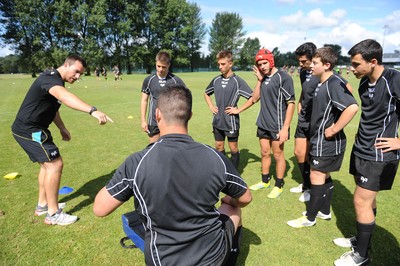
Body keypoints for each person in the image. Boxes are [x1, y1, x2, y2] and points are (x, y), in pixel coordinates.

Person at [94, 84, 252, 266]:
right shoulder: (214, 156)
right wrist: (229, 201)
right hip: (212, 257)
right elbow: (246, 198)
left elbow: (100, 209)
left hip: (163, 260)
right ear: (190, 116)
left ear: (157, 114)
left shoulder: (137, 162)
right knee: (234, 208)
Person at [11, 54, 113, 226]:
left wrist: (62, 128)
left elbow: (53, 108)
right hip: (29, 130)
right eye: (76, 71)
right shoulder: (49, 79)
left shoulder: (56, 82)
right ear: (66, 65)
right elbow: (65, 98)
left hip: (35, 129)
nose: (78, 76)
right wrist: (93, 110)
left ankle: (43, 205)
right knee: (54, 164)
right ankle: (53, 214)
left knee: (46, 165)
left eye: (81, 74)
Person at [333, 39, 400, 265]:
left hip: (378, 155)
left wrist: (399, 142)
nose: (352, 68)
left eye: (355, 64)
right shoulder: (363, 84)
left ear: (373, 62)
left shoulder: (395, 79)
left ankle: (361, 255)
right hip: (360, 149)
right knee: (367, 201)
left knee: (361, 201)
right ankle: (361, 239)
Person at [287, 47, 358, 228]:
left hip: (326, 142)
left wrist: (334, 129)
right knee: (322, 176)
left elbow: (352, 107)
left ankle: (309, 218)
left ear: (327, 65)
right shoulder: (321, 82)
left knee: (316, 176)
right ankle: (324, 212)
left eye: (315, 63)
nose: (311, 66)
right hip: (319, 139)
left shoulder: (334, 83)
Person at [249, 48, 295, 199]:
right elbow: (255, 98)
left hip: (277, 125)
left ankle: (279, 185)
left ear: (271, 61)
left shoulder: (284, 77)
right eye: (259, 64)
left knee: (278, 154)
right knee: (264, 152)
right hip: (263, 123)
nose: (262, 66)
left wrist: (285, 128)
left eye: (264, 63)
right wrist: (259, 80)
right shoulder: (263, 78)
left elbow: (291, 103)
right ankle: (265, 181)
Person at [204, 50, 254, 170]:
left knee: (233, 149)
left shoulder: (238, 82)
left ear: (230, 64)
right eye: (219, 64)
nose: (220, 67)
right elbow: (206, 93)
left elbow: (252, 98)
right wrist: (211, 106)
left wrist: (238, 110)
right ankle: (223, 172)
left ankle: (235, 174)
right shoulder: (216, 80)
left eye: (223, 64)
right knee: (219, 146)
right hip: (217, 121)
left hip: (231, 122)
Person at [290, 42, 319, 203]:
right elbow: (305, 90)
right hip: (303, 119)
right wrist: (300, 103)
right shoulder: (303, 72)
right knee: (299, 153)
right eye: (299, 61)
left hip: (316, 122)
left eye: (304, 62)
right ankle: (306, 185)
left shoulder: (321, 72)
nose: (300, 65)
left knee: (311, 156)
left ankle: (310, 188)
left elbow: (346, 89)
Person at [141, 51, 186, 143]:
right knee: (153, 147)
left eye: (163, 67)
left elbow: (184, 99)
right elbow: (144, 100)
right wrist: (143, 120)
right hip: (153, 120)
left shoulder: (176, 81)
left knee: (170, 148)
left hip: (171, 120)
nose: (160, 69)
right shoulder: (149, 80)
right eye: (158, 66)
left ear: (169, 65)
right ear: (156, 63)